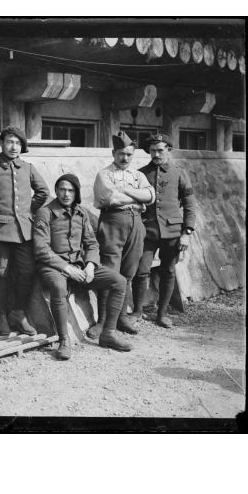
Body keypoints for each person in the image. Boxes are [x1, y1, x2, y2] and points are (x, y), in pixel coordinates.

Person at [34, 174, 131, 357]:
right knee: (57, 286)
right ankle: (64, 341)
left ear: (76, 193)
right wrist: (67, 268)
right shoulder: (44, 213)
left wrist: (91, 265)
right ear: (56, 191)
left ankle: (108, 333)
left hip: (80, 266)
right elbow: (41, 249)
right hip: (54, 267)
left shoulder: (81, 213)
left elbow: (92, 244)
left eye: (71, 190)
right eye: (62, 189)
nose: (66, 194)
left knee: (119, 281)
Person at [0, 126, 49, 336]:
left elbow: (43, 192)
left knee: (26, 271)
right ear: (1, 144)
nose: (14, 147)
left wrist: (27, 211)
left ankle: (18, 313)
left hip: (24, 231)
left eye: (17, 143)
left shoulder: (27, 167)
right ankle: (0, 316)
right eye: (9, 142)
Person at [89, 131, 156, 339]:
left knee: (128, 272)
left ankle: (119, 317)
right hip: (113, 222)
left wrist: (126, 192)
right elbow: (110, 198)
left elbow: (151, 196)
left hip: (136, 223)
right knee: (110, 272)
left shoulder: (138, 175)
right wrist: (137, 197)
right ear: (113, 153)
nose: (125, 158)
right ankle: (102, 321)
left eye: (128, 154)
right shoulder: (104, 174)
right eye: (121, 154)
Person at [131, 133, 197, 328]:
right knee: (141, 272)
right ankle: (137, 311)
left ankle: (162, 313)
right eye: (153, 150)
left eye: (160, 150)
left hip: (173, 232)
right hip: (147, 231)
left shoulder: (179, 173)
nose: (157, 154)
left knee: (168, 271)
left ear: (168, 150)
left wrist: (186, 233)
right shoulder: (141, 173)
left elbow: (190, 204)